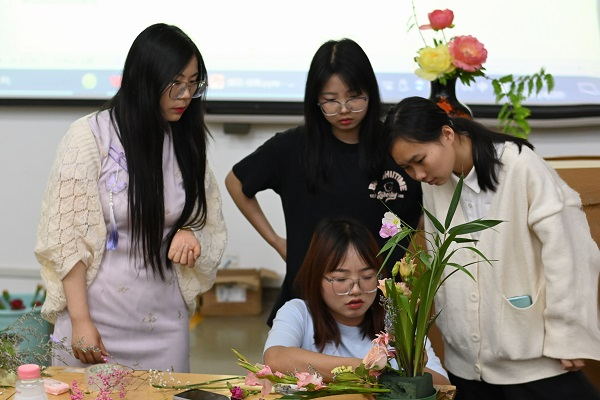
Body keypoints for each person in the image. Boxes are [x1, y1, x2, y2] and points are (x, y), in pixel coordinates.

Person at [34, 23, 227, 372]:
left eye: (193, 83)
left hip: (164, 324)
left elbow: (205, 217)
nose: (186, 95)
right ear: (144, 80)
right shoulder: (90, 136)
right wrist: (80, 320)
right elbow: (65, 239)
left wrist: (189, 232)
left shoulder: (186, 141)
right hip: (94, 321)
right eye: (176, 83)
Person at [383, 96, 600, 400]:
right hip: (466, 367)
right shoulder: (433, 182)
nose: (417, 175)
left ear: (447, 134)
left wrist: (568, 335)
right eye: (407, 167)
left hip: (534, 359)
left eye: (420, 160)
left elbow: (569, 252)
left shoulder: (520, 165)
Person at [225, 38, 422, 326]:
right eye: (330, 100)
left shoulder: (396, 147)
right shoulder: (292, 147)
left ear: (370, 91)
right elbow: (236, 183)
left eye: (354, 97)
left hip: (381, 305)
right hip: (309, 305)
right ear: (315, 100)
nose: (344, 109)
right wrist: (278, 242)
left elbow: (422, 214)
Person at [264, 217, 449, 385]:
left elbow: (444, 384)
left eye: (367, 277)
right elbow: (274, 358)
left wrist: (413, 370)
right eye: (341, 279)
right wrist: (362, 368)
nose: (356, 290)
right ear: (317, 278)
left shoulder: (398, 320)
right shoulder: (299, 313)